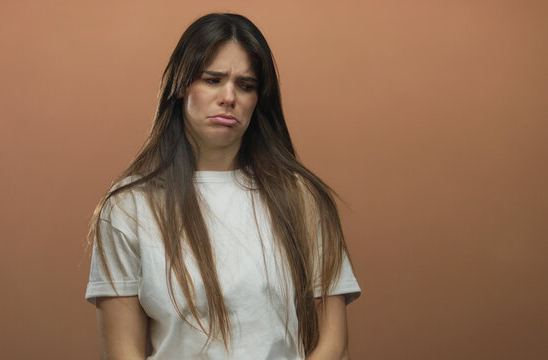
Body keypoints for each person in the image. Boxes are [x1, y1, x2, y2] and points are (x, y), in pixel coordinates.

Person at [85, 13, 361, 360]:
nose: (229, 96)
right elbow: (122, 352)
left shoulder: (302, 198)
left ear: (258, 99)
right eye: (213, 79)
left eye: (246, 85)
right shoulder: (129, 208)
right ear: (182, 85)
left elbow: (334, 346)